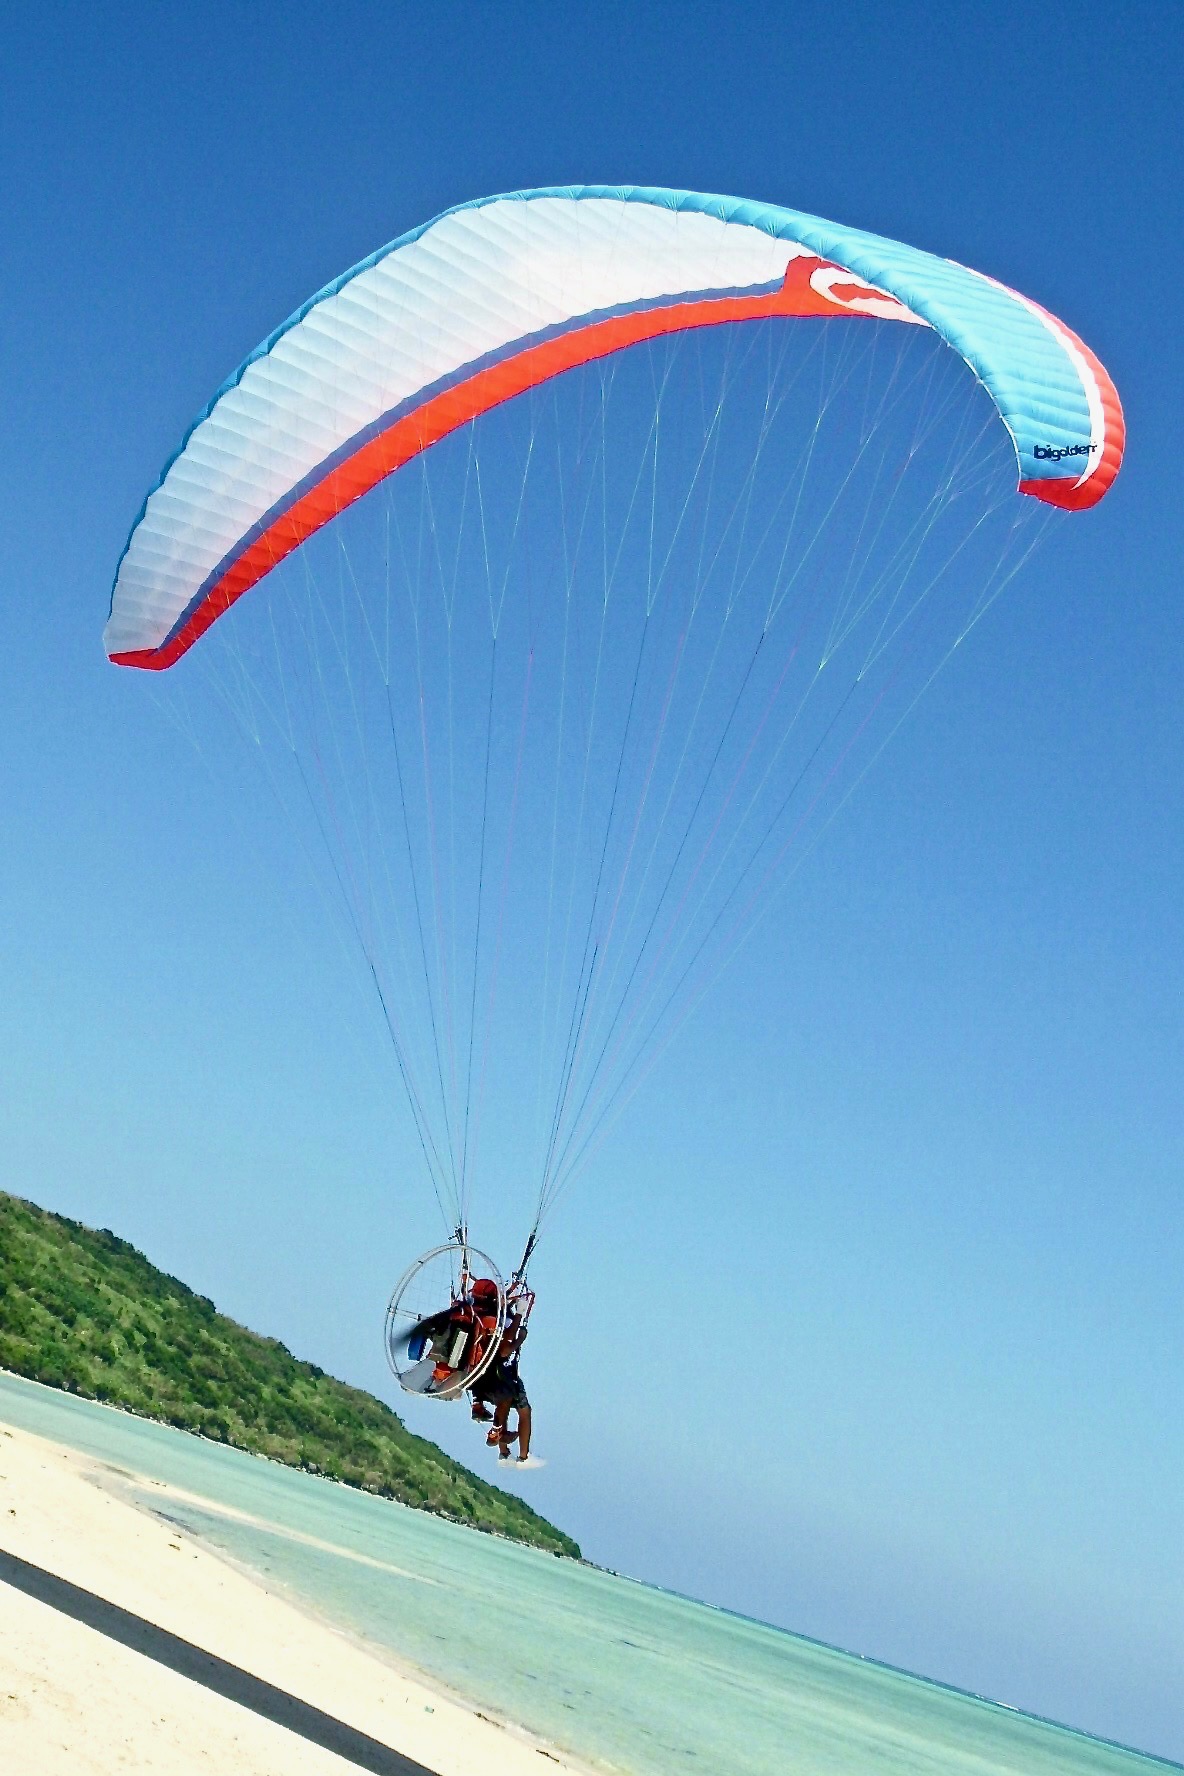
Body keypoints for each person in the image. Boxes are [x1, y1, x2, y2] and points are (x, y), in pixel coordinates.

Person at [469, 1305, 531, 1461]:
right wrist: (520, 1338)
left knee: (502, 1407)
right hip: (497, 1378)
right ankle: (523, 1457)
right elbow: (505, 1349)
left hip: (479, 1381)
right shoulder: (497, 1324)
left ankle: (503, 1452)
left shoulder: (476, 1320)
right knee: (524, 1412)